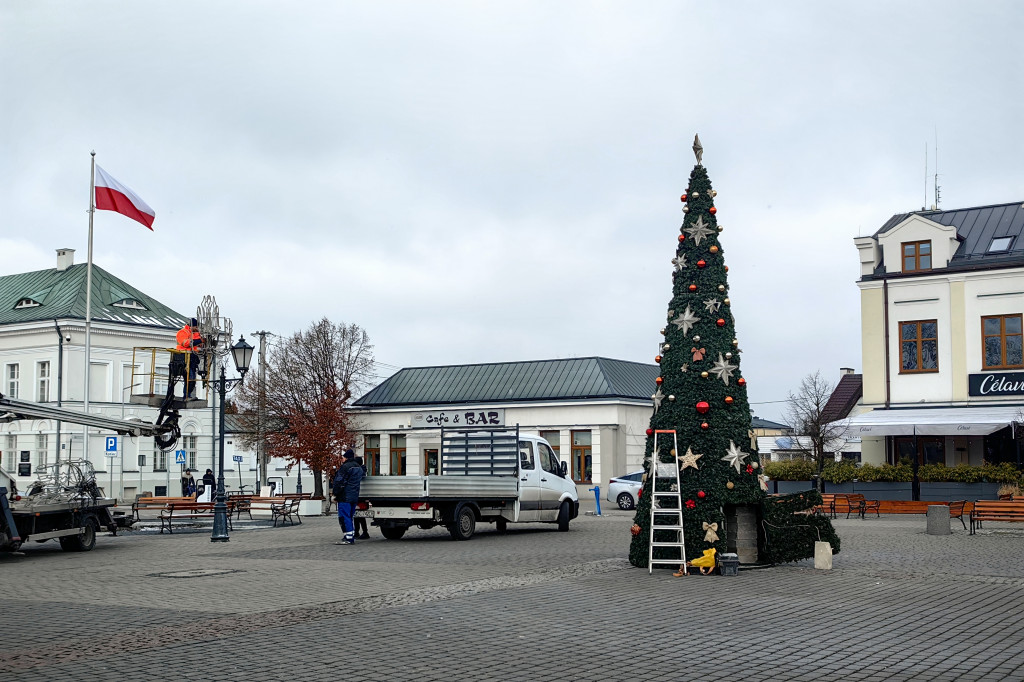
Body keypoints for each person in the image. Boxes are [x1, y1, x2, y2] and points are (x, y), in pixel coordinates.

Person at [332, 449, 364, 545]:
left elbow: (339, 482)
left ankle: (348, 537)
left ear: (346, 458)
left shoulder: (345, 467)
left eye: (342, 457)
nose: (342, 459)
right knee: (350, 516)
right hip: (354, 496)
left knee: (344, 516)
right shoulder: (359, 467)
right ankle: (350, 535)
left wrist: (335, 494)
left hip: (344, 496)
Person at [174, 318, 203, 398]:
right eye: (196, 327)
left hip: (192, 358)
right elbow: (187, 343)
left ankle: (188, 394)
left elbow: (198, 345)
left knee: (192, 379)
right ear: (192, 326)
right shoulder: (182, 332)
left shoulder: (194, 334)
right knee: (189, 377)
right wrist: (200, 341)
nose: (197, 329)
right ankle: (186, 395)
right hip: (182, 357)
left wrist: (202, 343)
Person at [354, 456, 370, 539]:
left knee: (359, 515)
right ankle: (357, 531)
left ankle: (364, 531)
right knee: (356, 515)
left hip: (360, 495)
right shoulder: (362, 469)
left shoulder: (360, 470)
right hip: (358, 494)